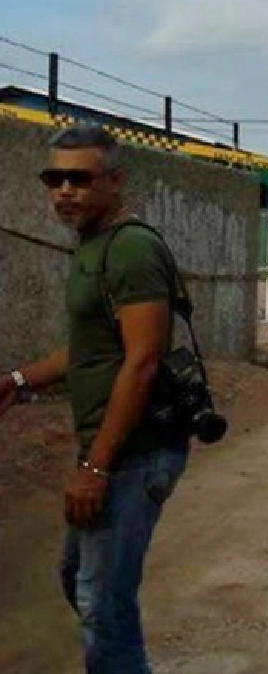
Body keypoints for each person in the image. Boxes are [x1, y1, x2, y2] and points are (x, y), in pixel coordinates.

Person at [0, 126, 190, 673]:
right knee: (79, 581)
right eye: (54, 179)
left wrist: (95, 466)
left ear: (115, 181)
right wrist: (18, 379)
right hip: (116, 451)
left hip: (136, 450)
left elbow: (143, 360)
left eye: (79, 179)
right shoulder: (94, 246)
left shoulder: (130, 250)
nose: (64, 191)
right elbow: (87, 351)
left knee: (102, 607)